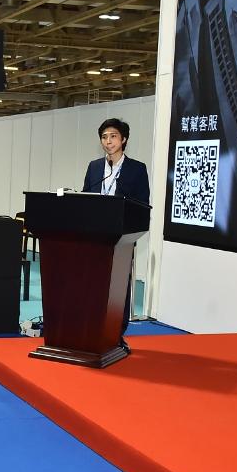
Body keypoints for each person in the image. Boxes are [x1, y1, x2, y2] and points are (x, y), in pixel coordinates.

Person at [81, 118, 150, 346]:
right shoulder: (94, 167)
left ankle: (116, 333)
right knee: (93, 285)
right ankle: (92, 329)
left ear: (124, 140)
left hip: (121, 238)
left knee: (118, 287)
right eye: (104, 137)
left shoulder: (136, 169)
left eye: (113, 136)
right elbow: (85, 197)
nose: (108, 141)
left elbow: (142, 205)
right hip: (95, 236)